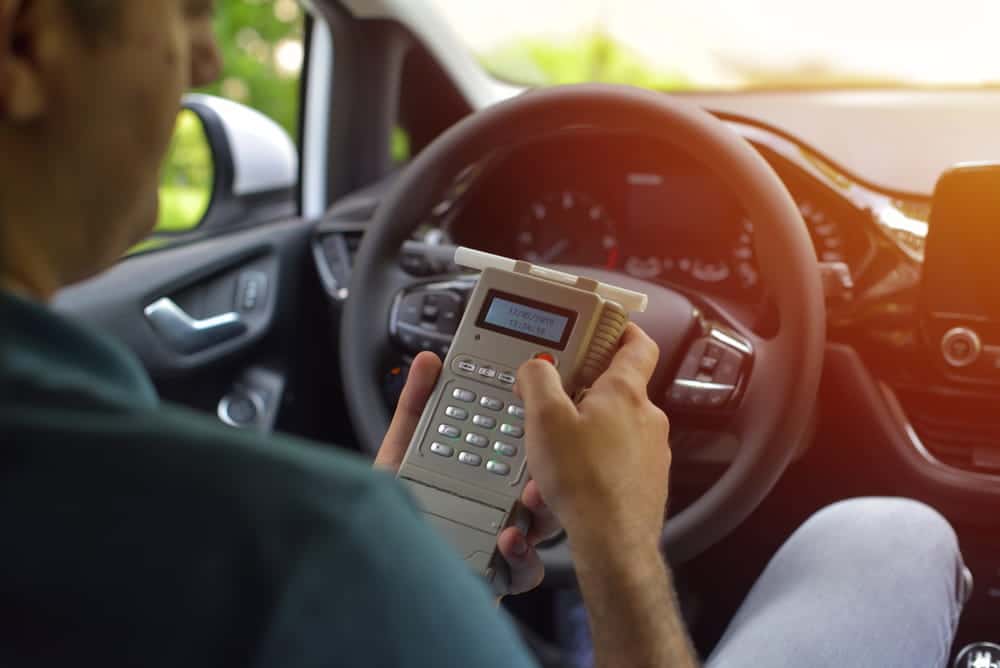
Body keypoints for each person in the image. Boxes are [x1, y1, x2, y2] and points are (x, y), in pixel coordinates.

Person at [0, 1, 970, 666]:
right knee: (884, 529)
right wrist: (620, 543)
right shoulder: (311, 547)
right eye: (185, 14)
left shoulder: (322, 553)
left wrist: (422, 561)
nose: (204, 60)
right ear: (26, 43)